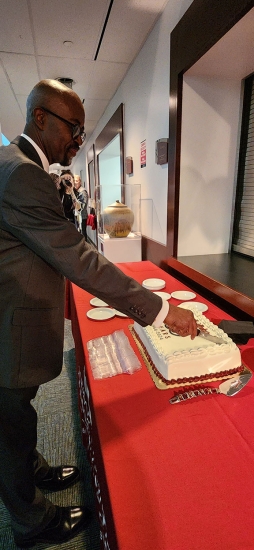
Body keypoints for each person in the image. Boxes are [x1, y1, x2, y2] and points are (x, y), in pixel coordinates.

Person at [0, 79, 197, 548]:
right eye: (74, 128)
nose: (78, 140)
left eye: (84, 133)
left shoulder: (20, 166)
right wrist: (159, 309)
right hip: (7, 332)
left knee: (18, 418)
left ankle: (34, 472)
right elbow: (76, 256)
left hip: (13, 318)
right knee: (8, 431)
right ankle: (31, 523)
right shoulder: (21, 172)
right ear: (40, 117)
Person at [74, 174, 89, 240]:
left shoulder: (82, 191)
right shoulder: (76, 191)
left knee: (82, 233)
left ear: (80, 181)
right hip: (78, 216)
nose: (75, 182)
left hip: (82, 216)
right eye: (74, 181)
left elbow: (82, 206)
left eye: (76, 181)